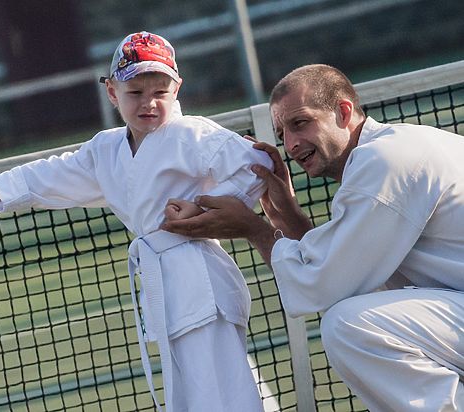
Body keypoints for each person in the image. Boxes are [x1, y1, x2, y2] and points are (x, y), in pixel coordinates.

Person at [0, 31, 272, 412]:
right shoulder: (105, 150)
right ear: (112, 92)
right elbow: (44, 176)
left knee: (225, 394)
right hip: (164, 285)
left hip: (203, 282)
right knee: (196, 396)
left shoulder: (190, 133)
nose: (148, 103)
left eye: (159, 92)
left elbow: (258, 165)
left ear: (176, 89)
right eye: (135, 93)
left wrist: (203, 210)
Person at [162, 64, 464, 411]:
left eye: (300, 123)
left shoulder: (385, 161)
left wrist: (251, 228)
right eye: (281, 133)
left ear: (343, 111)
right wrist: (285, 214)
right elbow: (347, 273)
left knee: (350, 326)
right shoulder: (393, 150)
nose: (290, 144)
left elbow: (324, 283)